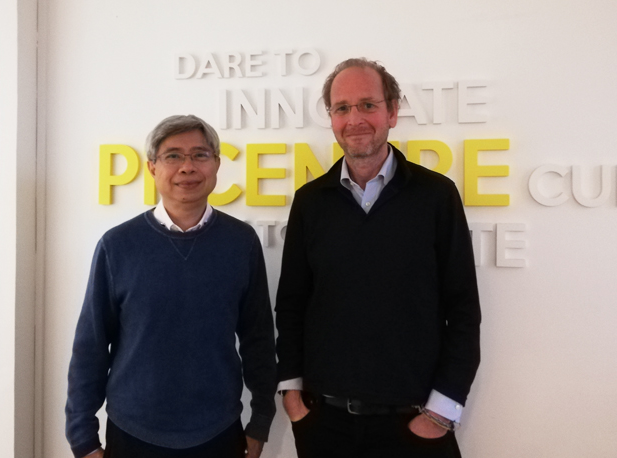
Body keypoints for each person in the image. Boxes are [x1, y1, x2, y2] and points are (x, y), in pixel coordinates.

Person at [275, 58, 481, 458]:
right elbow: (292, 304)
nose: (355, 119)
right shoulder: (310, 202)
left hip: (414, 426)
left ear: (392, 112)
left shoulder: (437, 196)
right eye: (342, 108)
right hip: (324, 425)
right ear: (332, 118)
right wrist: (292, 394)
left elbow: (463, 309)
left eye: (368, 105)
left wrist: (442, 411)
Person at [65, 115, 277, 458]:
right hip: (133, 432)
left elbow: (259, 340)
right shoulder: (118, 245)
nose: (187, 167)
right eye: (173, 156)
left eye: (200, 155)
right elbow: (90, 345)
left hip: (219, 431)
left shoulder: (241, 243)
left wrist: (261, 421)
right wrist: (83, 438)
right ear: (151, 168)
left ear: (217, 165)